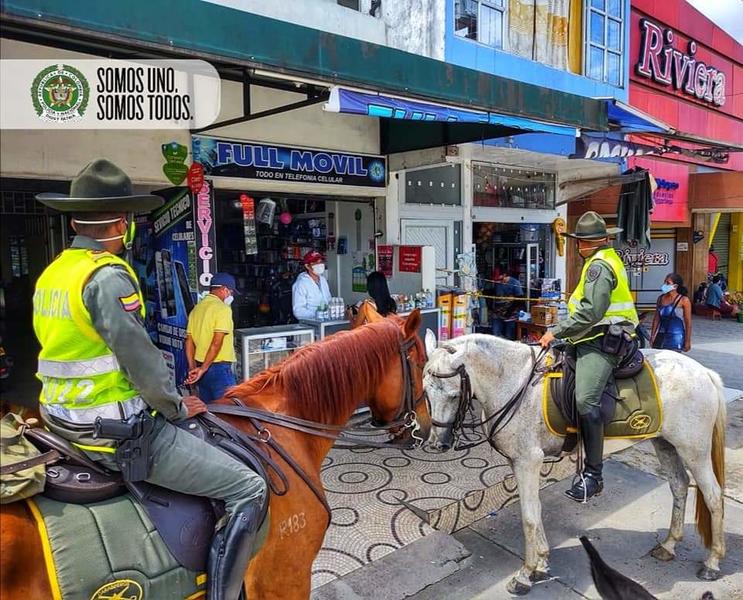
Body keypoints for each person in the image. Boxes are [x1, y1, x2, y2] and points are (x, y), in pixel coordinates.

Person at [33, 159, 266, 600]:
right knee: (249, 486)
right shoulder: (106, 275)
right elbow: (140, 361)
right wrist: (177, 405)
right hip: (111, 434)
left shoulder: (54, 273)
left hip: (60, 422)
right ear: (123, 224)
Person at [538, 211, 638, 502]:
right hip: (589, 335)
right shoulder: (602, 260)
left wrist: (556, 332)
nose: (576, 246)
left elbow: (591, 313)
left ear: (584, 243)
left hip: (602, 341)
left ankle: (594, 474)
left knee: (585, 399)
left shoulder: (598, 267)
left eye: (578, 242)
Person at [185, 273, 239, 402]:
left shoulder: (196, 309)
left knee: (209, 412)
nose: (230, 296)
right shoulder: (223, 309)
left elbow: (189, 343)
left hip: (201, 368)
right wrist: (203, 369)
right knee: (230, 412)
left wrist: (194, 369)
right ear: (224, 289)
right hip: (218, 368)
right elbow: (216, 343)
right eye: (230, 292)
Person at [651, 273, 692, 352]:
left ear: (675, 286)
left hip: (676, 337)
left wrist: (687, 341)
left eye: (668, 283)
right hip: (661, 336)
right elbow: (656, 319)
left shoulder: (684, 300)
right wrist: (653, 335)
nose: (664, 285)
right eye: (664, 282)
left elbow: (688, 323)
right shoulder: (660, 299)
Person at [292, 250, 331, 320]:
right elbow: (298, 311)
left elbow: (328, 300)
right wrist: (318, 314)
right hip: (309, 323)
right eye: (316, 263)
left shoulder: (323, 280)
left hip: (325, 321)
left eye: (321, 262)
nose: (320, 265)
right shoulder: (301, 284)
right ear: (307, 266)